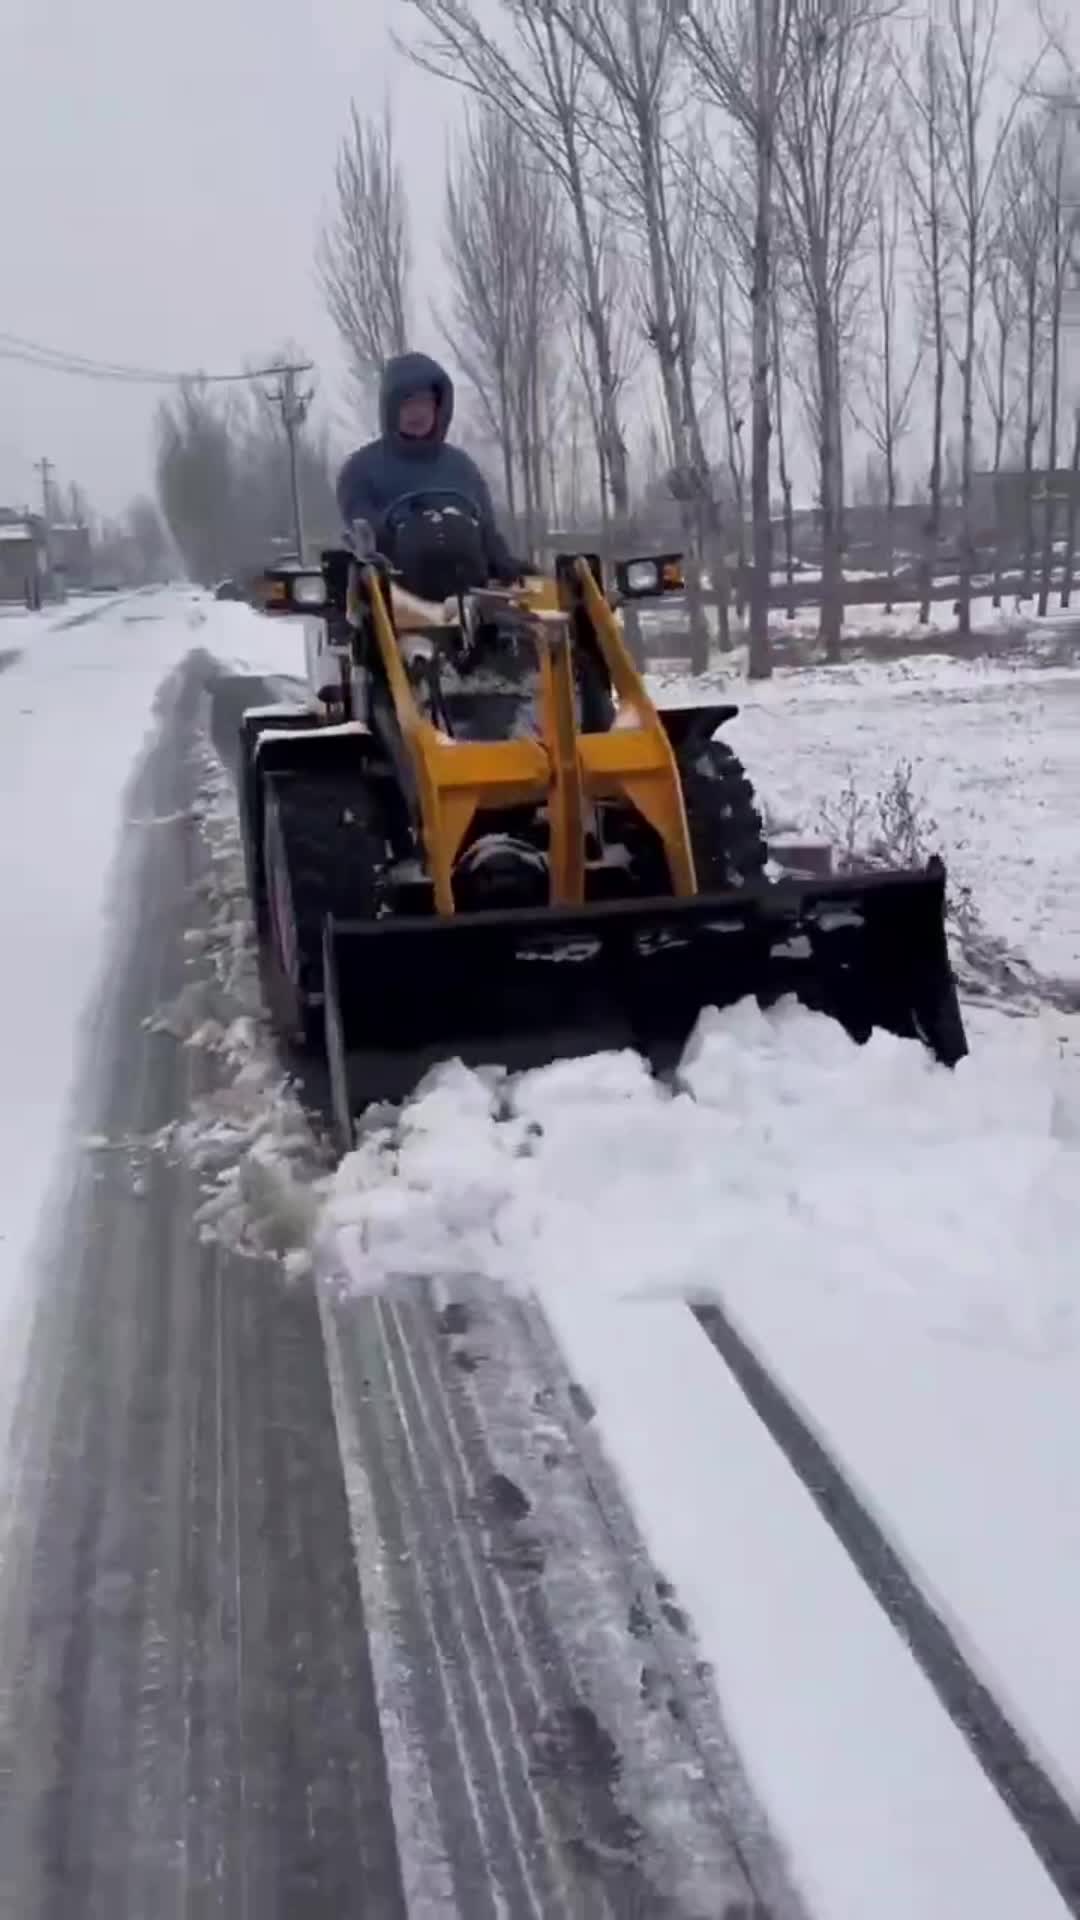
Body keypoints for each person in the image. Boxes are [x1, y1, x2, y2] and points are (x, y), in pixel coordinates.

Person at [336, 351, 525, 589]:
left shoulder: (462, 468)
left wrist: (502, 560)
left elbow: (486, 527)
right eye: (408, 403)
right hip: (394, 592)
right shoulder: (360, 470)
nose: (418, 412)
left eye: (425, 402)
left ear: (439, 407)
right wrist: (406, 526)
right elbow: (362, 527)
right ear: (391, 409)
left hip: (471, 592)